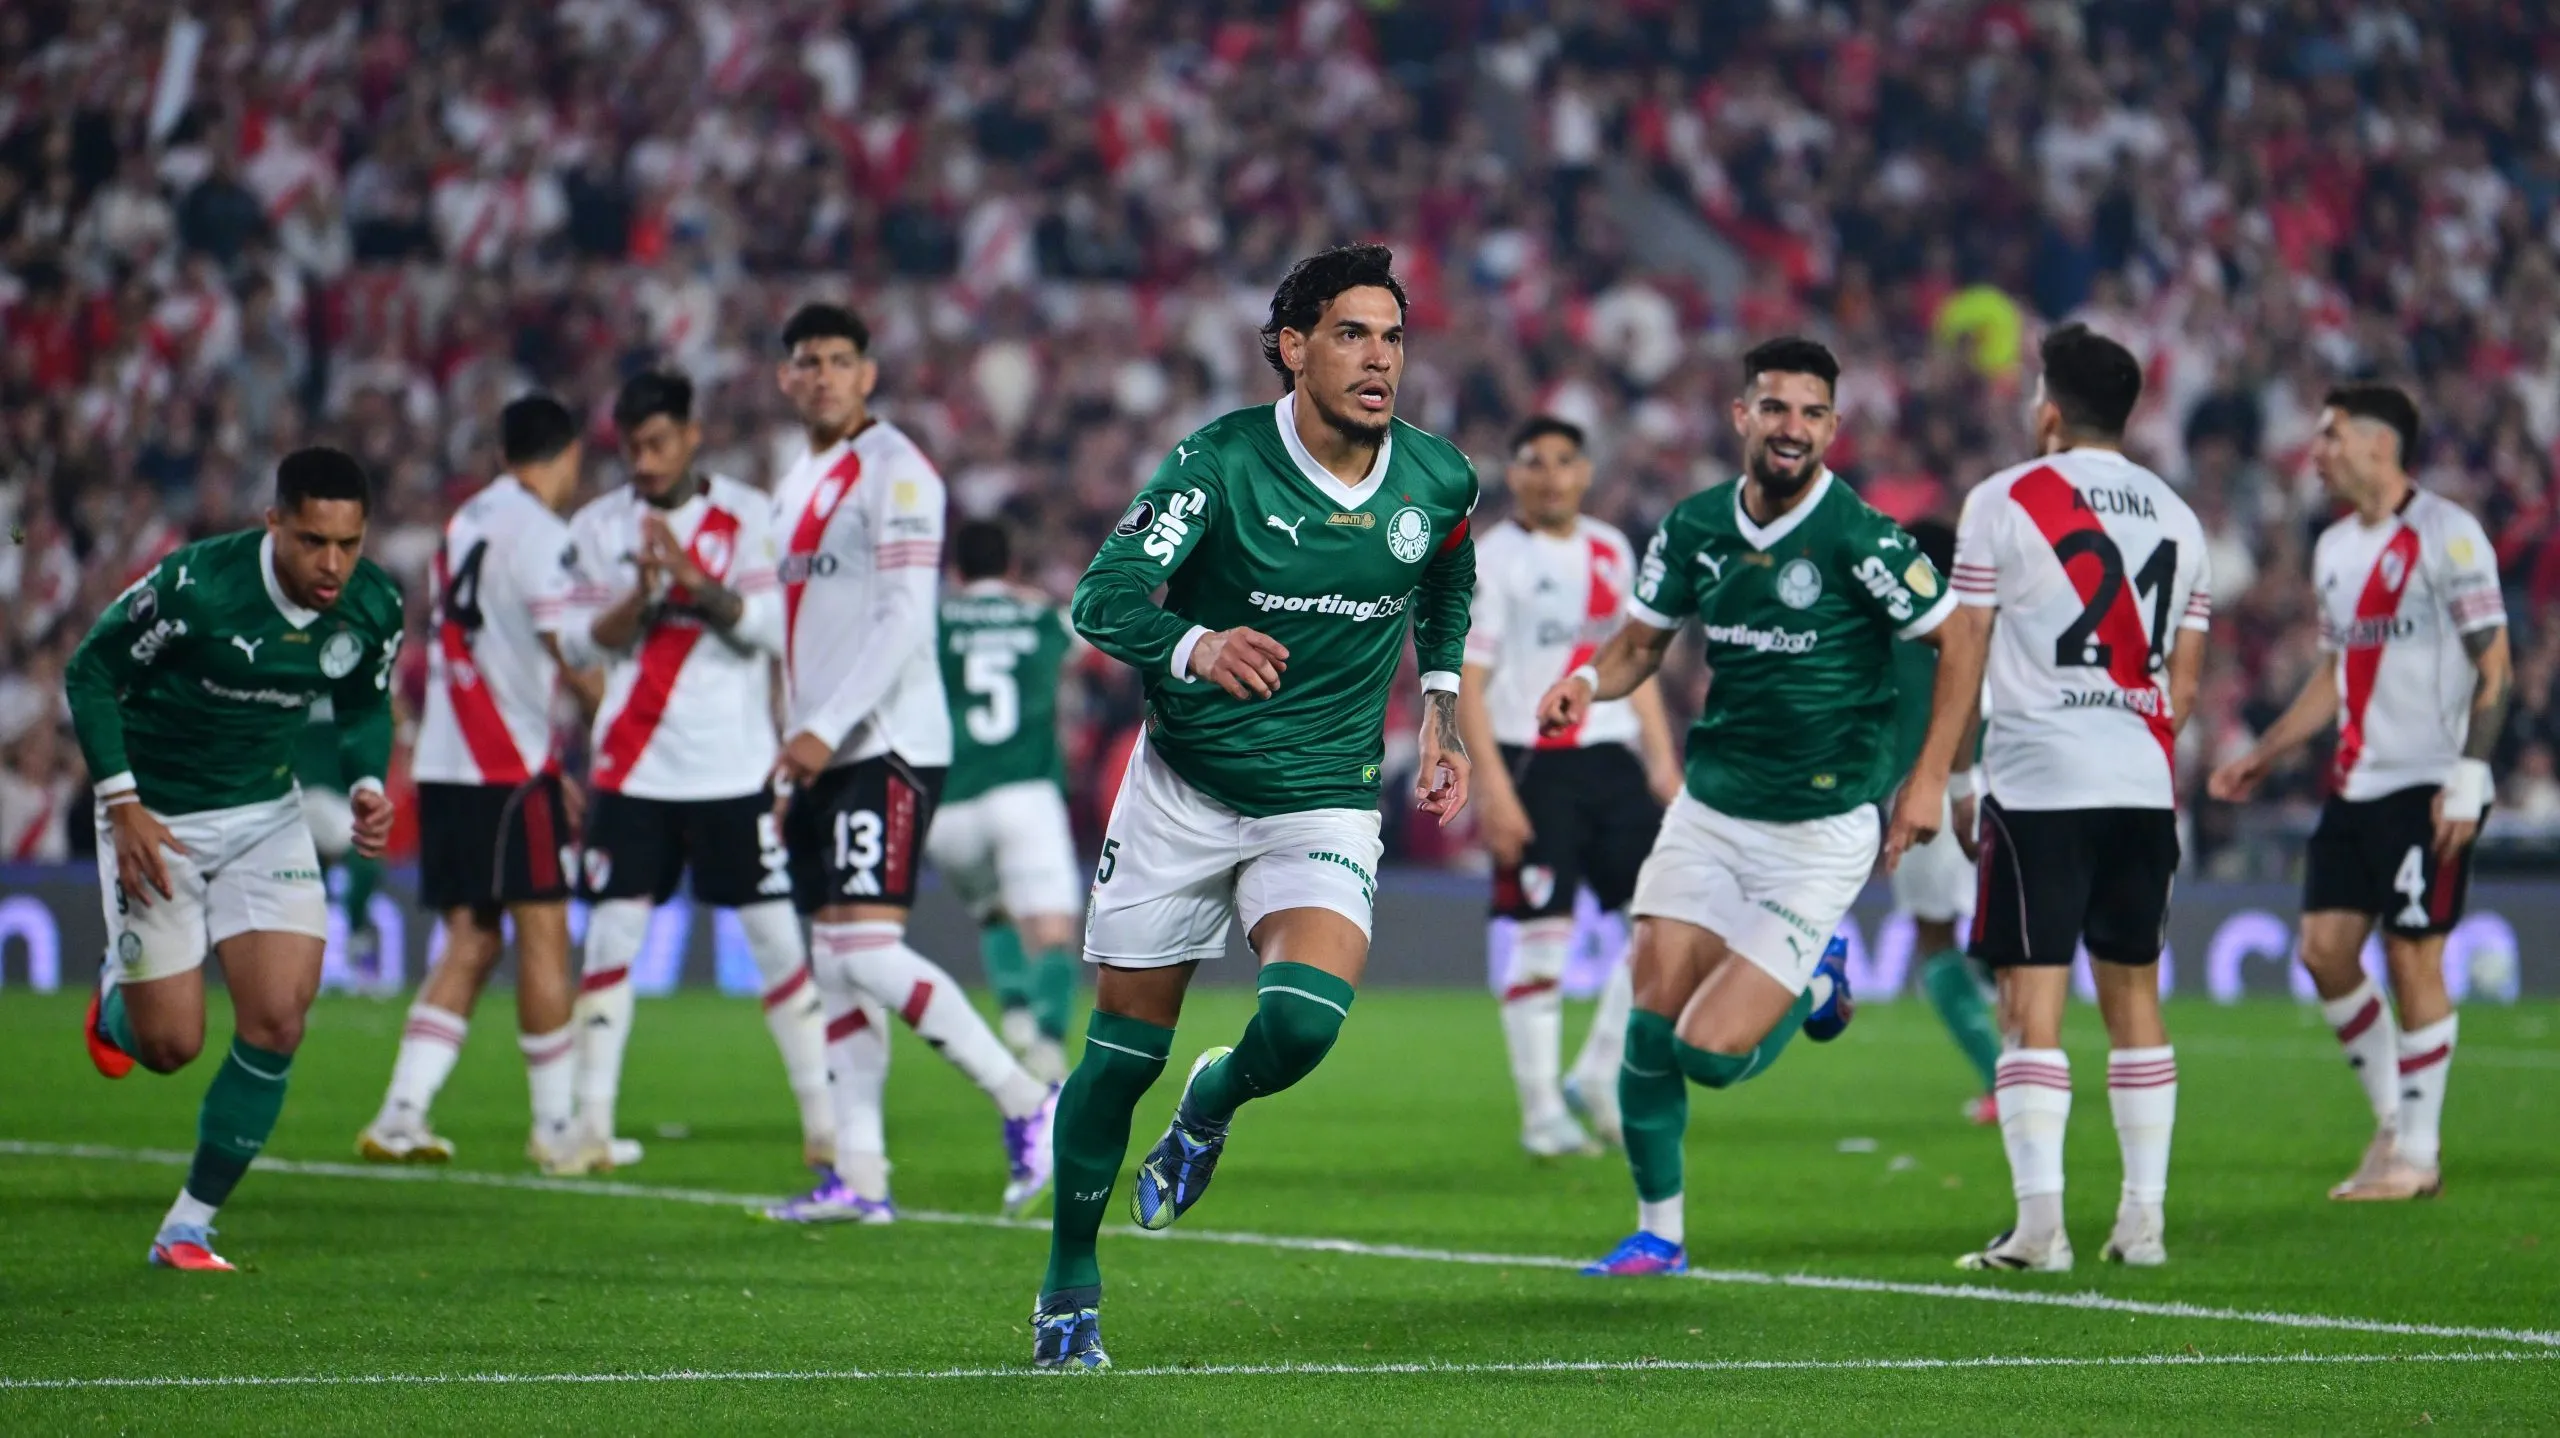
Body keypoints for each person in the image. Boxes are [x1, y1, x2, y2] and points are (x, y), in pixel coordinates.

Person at [1029, 243, 1478, 1371]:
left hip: (1320, 798)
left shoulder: (1437, 479)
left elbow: (1447, 573)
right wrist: (1193, 640)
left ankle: (1213, 1101)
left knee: (1303, 1024)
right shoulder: (1218, 465)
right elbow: (1101, 592)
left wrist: (1439, 699)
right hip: (1183, 789)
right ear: (1292, 349)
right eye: (1350, 334)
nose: (1379, 359)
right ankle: (1069, 1280)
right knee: (1117, 1059)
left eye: (1391, 336)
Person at [1541, 337, 1969, 1279]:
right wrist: (1585, 682)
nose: (1793, 428)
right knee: (1648, 1027)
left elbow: (1960, 639)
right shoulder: (1696, 527)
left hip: (1817, 834)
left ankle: (1818, 976)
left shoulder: (1862, 538)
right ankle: (1661, 1232)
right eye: (1776, 408)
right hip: (1712, 811)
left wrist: (1929, 776)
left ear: (1832, 427)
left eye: (1813, 413)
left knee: (1709, 1055)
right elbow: (1640, 646)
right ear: (1742, 416)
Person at [70, 446, 405, 1271]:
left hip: (265, 816)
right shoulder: (198, 587)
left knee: (280, 1018)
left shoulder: (371, 604)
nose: (332, 565)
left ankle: (188, 1223)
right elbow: (90, 671)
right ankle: (117, 1000)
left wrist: (365, 779)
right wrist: (123, 805)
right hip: (156, 818)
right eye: (313, 541)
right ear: (274, 524)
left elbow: (365, 702)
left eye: (348, 544)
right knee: (169, 1046)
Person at [760, 302, 1057, 1227]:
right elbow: (792, 631)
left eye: (839, 360)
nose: (821, 376)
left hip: (887, 741)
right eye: (806, 361)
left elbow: (899, 619)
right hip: (820, 748)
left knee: (863, 949)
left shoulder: (897, 473)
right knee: (832, 959)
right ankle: (862, 1176)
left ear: (868, 374)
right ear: (785, 377)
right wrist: (791, 745)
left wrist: (824, 732)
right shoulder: (795, 479)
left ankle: (1026, 1098)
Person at [1937, 323, 2213, 1271]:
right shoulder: (2179, 515)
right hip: (2139, 782)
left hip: (2040, 780)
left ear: (2050, 409)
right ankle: (2144, 1221)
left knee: (2031, 1001)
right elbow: (2188, 677)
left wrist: (1954, 773)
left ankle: (2040, 1227)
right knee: (2135, 993)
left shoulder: (2003, 499)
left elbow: (1966, 646)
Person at [2209, 384, 2507, 1202]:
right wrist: (2267, 751)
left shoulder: (2448, 535)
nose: (2317, 451)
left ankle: (2418, 1154)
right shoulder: (2335, 547)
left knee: (2415, 957)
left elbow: (2495, 665)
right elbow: (2338, 671)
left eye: (2331, 436)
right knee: (2325, 951)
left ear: (2381, 444)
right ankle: (2393, 1122)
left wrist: (2470, 778)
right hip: (2356, 782)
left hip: (2430, 782)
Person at [559, 371, 832, 1172]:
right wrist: (638, 600)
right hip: (632, 767)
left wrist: (689, 578)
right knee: (611, 937)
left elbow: (774, 631)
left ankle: (824, 1123)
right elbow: (579, 644)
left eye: (656, 444)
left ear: (690, 435)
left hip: (732, 766)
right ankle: (591, 1126)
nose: (642, 462)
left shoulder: (751, 517)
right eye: (630, 447)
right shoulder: (599, 525)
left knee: (778, 944)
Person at [357, 396, 597, 1174]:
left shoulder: (463, 524)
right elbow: (568, 652)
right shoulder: (544, 533)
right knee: (544, 929)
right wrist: (622, 724)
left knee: (473, 936)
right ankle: (557, 1127)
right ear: (567, 456)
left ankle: (399, 1113)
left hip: (447, 758)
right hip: (505, 764)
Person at [1457, 415, 1682, 1156]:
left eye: (1564, 461)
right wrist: (1493, 789)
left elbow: (1632, 661)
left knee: (1663, 927)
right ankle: (1541, 1114)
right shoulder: (1493, 558)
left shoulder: (1611, 549)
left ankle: (1594, 1074)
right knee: (1541, 945)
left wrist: (1660, 760)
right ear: (1513, 474)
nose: (1551, 475)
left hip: (1612, 759)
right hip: (1532, 760)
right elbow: (1468, 682)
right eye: (1534, 462)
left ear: (1585, 472)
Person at [928, 519, 1084, 1084]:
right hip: (1025, 792)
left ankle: (1014, 1011)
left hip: (948, 806)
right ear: (1012, 568)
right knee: (1052, 930)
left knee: (993, 908)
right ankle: (1045, 1047)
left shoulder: (933, 621)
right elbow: (1093, 635)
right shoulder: (1040, 616)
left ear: (955, 571)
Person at [1892, 518, 2001, 1124]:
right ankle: (2023, 1068)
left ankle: (2000, 1076)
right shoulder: (1980, 619)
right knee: (1993, 930)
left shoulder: (1906, 630)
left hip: (1935, 787)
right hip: (1995, 781)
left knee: (1936, 936)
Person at [292, 697, 393, 993]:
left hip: (343, 799)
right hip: (301, 796)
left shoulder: (354, 685)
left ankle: (357, 939)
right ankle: (301, 970)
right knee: (305, 885)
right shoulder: (295, 681)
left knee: (366, 864)